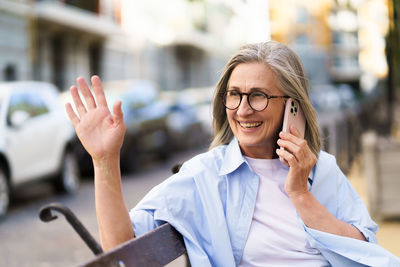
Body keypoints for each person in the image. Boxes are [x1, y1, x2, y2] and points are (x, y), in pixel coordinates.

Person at [65, 41, 400, 266]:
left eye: (258, 96)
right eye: (234, 94)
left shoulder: (322, 169)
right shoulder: (204, 176)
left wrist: (300, 194)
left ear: (292, 105)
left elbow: (365, 252)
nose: (242, 109)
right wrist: (104, 160)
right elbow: (122, 252)